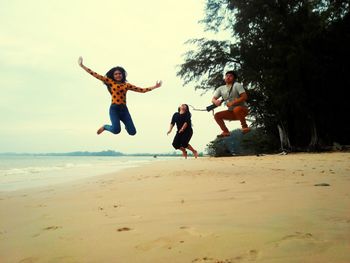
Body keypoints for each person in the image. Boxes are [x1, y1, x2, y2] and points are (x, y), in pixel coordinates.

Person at [78, 56, 162, 135]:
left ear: (122, 75)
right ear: (113, 76)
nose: (118, 75)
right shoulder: (110, 82)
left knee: (133, 132)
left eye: (120, 74)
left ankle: (126, 126)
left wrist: (155, 87)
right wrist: (82, 66)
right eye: (116, 74)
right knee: (116, 130)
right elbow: (95, 74)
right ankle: (105, 127)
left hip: (124, 110)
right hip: (114, 109)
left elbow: (142, 90)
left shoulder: (127, 85)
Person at [211, 70, 250, 137]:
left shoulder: (237, 85)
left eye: (230, 76)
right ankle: (225, 132)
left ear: (234, 78)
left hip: (242, 110)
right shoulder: (220, 88)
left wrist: (233, 103)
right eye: (227, 76)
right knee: (217, 115)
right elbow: (213, 99)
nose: (228, 77)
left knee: (237, 109)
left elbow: (244, 97)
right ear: (224, 77)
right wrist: (216, 102)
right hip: (231, 112)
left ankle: (245, 127)